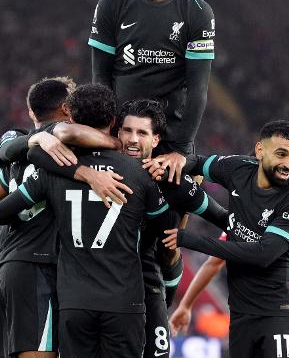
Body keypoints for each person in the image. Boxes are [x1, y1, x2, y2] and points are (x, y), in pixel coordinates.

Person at [28, 98, 227, 358]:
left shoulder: (171, 178)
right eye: (128, 131)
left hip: (151, 279)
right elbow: (33, 152)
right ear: (116, 132)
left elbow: (225, 219)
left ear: (155, 140)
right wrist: (72, 164)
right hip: (100, 290)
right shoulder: (92, 168)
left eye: (142, 133)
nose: (133, 139)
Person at [0, 84, 177, 358]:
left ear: (72, 118)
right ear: (114, 123)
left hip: (74, 301)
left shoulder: (54, 169)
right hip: (124, 299)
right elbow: (166, 228)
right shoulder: (139, 172)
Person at [0, 77, 128, 358]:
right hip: (37, 265)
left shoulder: (15, 150)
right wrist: (116, 144)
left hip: (5, 265)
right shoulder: (67, 145)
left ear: (32, 112)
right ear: (66, 108)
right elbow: (70, 135)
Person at [161, 120, 289, 358]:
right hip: (241, 314)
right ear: (260, 151)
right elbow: (199, 162)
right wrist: (180, 160)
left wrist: (187, 239)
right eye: (281, 154)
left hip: (279, 313)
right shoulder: (239, 168)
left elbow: (262, 254)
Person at [89, 0, 215, 183]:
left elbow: (198, 89)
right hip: (123, 134)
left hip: (169, 138)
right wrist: (108, 130)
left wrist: (181, 150)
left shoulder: (197, 11)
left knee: (171, 220)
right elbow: (100, 77)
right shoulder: (111, 3)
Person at [169, 234, 289, 339]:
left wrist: (186, 305)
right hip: (275, 318)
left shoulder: (238, 219)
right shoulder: (287, 213)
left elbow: (213, 263)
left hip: (249, 318)